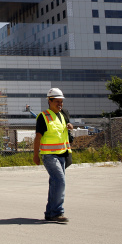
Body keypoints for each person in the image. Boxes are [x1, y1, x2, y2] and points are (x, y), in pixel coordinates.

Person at [33, 88, 73, 223]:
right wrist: (35, 155)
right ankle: (57, 212)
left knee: (55, 183)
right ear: (49, 101)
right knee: (60, 181)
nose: (60, 104)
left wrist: (69, 127)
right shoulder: (43, 116)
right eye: (57, 101)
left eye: (61, 101)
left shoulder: (63, 115)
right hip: (49, 155)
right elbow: (37, 137)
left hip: (62, 154)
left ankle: (50, 213)